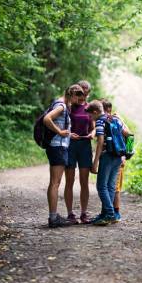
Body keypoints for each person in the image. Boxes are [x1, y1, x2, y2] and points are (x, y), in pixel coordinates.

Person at [43, 84, 83, 228]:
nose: (77, 100)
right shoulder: (62, 106)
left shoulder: (60, 104)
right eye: (76, 97)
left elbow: (59, 123)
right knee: (55, 183)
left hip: (59, 145)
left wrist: (67, 134)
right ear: (71, 95)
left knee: (55, 182)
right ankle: (53, 218)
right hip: (57, 147)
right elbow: (47, 119)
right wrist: (59, 132)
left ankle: (53, 216)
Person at [85, 100, 130, 225]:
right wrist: (127, 154)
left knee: (101, 186)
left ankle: (109, 213)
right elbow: (129, 134)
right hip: (118, 155)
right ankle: (106, 214)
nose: (91, 119)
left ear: (95, 112)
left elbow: (100, 142)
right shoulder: (114, 119)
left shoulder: (100, 121)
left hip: (107, 155)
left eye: (90, 116)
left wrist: (95, 162)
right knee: (110, 186)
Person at [63, 80, 94, 224]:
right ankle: (70, 214)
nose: (84, 92)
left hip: (85, 145)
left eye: (87, 90)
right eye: (82, 90)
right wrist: (69, 134)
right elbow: (61, 125)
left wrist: (92, 134)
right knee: (69, 181)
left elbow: (94, 127)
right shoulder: (67, 108)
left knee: (84, 182)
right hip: (70, 146)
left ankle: (84, 213)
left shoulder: (89, 108)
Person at [101, 99, 131, 222]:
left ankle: (115, 212)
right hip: (109, 157)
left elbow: (129, 135)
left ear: (107, 110)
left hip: (117, 156)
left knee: (114, 187)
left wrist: (125, 155)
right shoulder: (104, 121)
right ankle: (106, 212)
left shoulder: (116, 121)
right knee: (108, 186)